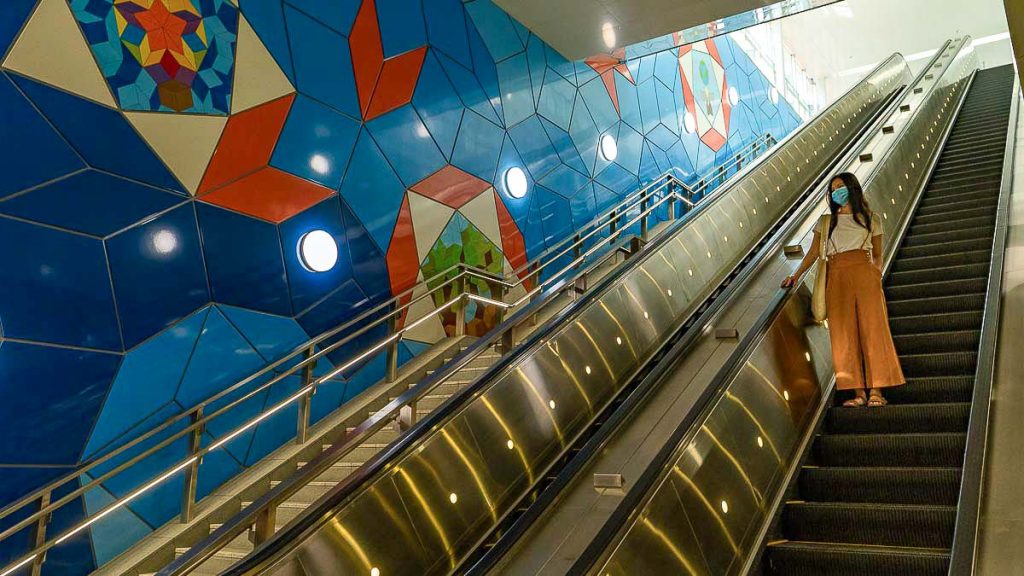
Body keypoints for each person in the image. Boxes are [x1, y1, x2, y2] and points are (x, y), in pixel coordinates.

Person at [782, 172, 905, 406]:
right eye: (833, 189)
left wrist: (875, 273)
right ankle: (858, 392)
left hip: (865, 274)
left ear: (852, 188)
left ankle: (877, 391)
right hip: (836, 276)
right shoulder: (826, 222)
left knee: (874, 330)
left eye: (841, 186)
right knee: (843, 335)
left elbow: (878, 253)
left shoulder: (871, 218)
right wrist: (795, 275)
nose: (837, 192)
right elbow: (812, 253)